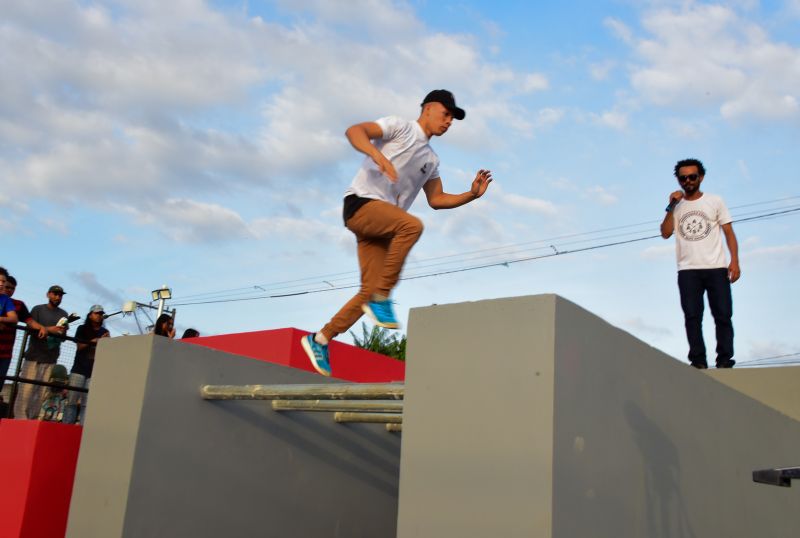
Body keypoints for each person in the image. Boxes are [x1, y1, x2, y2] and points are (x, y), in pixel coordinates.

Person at [300, 90, 493, 376]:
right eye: (446, 113)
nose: (449, 121)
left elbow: (437, 199)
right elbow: (355, 131)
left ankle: (320, 339)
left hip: (382, 225)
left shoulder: (432, 159)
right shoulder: (400, 127)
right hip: (362, 205)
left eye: (453, 118)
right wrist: (377, 155)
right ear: (428, 108)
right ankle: (383, 296)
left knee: (366, 292)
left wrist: (471, 195)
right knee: (411, 226)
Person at [660, 158, 740, 369]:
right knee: (692, 316)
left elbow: (729, 233)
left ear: (701, 177)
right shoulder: (676, 206)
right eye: (683, 178)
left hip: (716, 267)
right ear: (678, 180)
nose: (688, 181)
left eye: (692, 176)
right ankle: (698, 361)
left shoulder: (715, 201)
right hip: (688, 270)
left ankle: (724, 360)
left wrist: (735, 261)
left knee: (723, 314)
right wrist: (671, 205)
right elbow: (666, 233)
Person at [14, 285, 69, 419]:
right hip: (33, 355)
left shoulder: (64, 314)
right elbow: (31, 329)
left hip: (51, 357)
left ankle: (32, 420)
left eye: (60, 295)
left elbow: (63, 336)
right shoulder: (38, 309)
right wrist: (50, 330)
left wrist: (62, 331)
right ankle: (20, 420)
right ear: (48, 294)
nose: (57, 297)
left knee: (41, 392)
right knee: (26, 391)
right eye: (55, 294)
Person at [64, 305, 110, 424]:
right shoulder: (82, 328)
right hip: (79, 369)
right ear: (90, 315)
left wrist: (107, 341)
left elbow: (108, 351)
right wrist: (93, 342)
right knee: (72, 400)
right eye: (97, 313)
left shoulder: (104, 332)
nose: (99, 316)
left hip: (94, 371)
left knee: (87, 403)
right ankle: (67, 426)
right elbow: (79, 346)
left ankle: (82, 429)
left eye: (101, 314)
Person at [0, 272, 19, 381]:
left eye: (3, 281)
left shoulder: (5, 299)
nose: (1, 284)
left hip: (5, 354)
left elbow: (13, 318)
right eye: (0, 281)